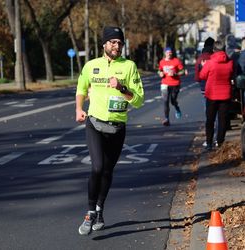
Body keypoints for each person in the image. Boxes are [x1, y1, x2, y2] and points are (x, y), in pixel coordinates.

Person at [75, 26, 144, 235]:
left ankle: (99, 208)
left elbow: (140, 100)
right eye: (113, 42)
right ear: (104, 44)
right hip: (94, 123)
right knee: (97, 167)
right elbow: (81, 88)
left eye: (120, 43)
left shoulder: (129, 66)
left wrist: (122, 88)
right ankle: (89, 213)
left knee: (107, 170)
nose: (117, 46)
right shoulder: (91, 65)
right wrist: (79, 109)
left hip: (117, 127)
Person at [199, 40, 234, 151]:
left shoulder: (210, 62)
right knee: (223, 120)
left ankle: (209, 143)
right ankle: (220, 142)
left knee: (210, 119)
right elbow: (232, 74)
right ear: (224, 50)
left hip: (212, 94)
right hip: (225, 95)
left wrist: (203, 66)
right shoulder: (230, 62)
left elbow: (202, 76)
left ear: (214, 50)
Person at [158, 47, 185, 126]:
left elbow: (183, 71)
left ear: (172, 53)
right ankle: (166, 119)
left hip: (175, 84)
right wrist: (160, 73)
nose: (169, 54)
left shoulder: (176, 61)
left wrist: (175, 74)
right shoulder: (162, 62)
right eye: (167, 52)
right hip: (164, 83)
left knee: (173, 101)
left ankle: (177, 108)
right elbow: (159, 70)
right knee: (165, 101)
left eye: (170, 52)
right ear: (165, 53)